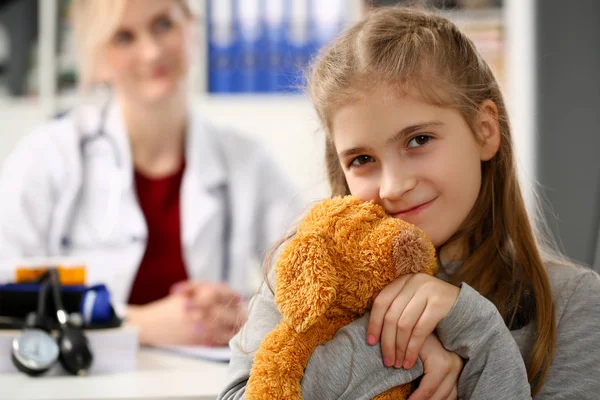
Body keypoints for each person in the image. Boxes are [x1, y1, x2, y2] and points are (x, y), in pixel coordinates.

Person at [219, 6, 600, 400]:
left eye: (418, 140)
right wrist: (398, 351)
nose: (393, 186)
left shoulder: (573, 303)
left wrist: (474, 328)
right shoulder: (307, 275)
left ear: (485, 130)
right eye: (362, 160)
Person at [0, 0, 303, 347]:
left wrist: (246, 317)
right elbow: (7, 298)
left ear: (191, 26)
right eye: (124, 37)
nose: (151, 52)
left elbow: (310, 265)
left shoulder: (246, 159)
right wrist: (139, 324)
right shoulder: (47, 156)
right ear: (98, 59)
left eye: (163, 24)